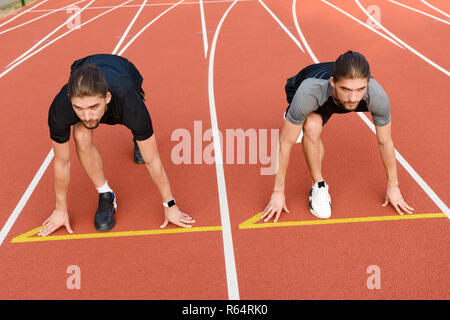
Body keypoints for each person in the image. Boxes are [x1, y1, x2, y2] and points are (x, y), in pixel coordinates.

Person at [39, 54, 195, 236]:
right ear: (69, 98)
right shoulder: (61, 108)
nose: (87, 116)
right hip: (83, 67)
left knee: (144, 147)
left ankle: (138, 138)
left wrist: (170, 205)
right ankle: (106, 194)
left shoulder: (129, 102)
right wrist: (60, 209)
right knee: (81, 134)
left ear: (107, 97)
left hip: (123, 71)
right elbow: (62, 162)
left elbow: (153, 161)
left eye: (93, 107)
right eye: (78, 108)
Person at [261, 51, 414, 222]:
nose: (353, 98)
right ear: (333, 82)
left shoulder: (377, 96)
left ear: (368, 83)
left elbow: (385, 142)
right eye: (346, 89)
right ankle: (318, 185)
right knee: (311, 127)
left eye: (360, 89)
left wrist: (393, 186)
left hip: (328, 97)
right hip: (307, 91)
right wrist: (278, 192)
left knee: (308, 124)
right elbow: (284, 143)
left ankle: (298, 118)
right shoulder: (309, 92)